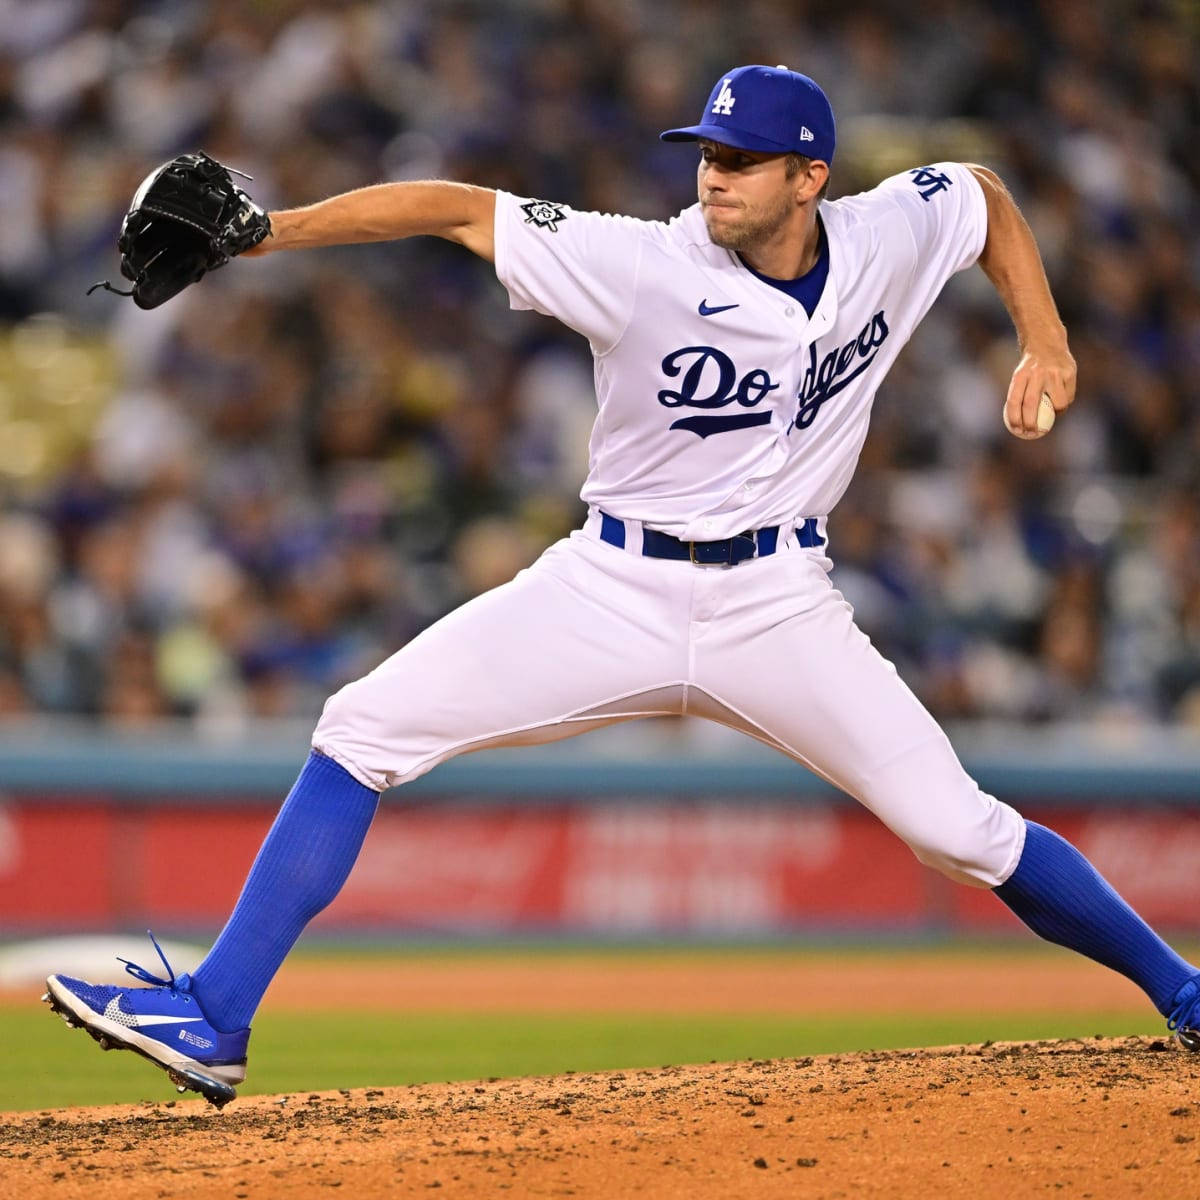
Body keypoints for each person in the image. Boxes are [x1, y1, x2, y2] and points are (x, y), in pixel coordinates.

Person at [44, 65, 1200, 1107]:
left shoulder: (889, 235)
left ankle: (1187, 995)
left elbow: (985, 194)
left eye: (742, 160)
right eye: (706, 152)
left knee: (962, 832)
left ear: (812, 177)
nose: (714, 175)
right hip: (610, 587)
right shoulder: (644, 262)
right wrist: (267, 233)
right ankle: (214, 1016)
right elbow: (457, 208)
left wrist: (1044, 337)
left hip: (779, 601)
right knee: (361, 726)